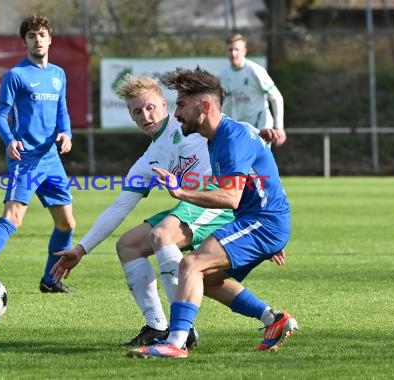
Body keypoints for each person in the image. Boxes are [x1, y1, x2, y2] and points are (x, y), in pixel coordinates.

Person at [50, 74, 284, 348]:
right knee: (128, 246)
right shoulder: (148, 160)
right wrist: (81, 248)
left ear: (164, 104)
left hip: (217, 200)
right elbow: (120, 206)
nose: (145, 115)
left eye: (150, 107)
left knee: (163, 235)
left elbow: (230, 128)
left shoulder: (187, 122)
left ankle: (181, 333)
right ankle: (158, 325)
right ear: (131, 116)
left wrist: (262, 139)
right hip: (191, 206)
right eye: (137, 111)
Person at [127, 66, 298, 359]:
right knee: (204, 279)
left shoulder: (231, 138)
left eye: (181, 105)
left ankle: (175, 344)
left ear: (204, 106)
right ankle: (274, 319)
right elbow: (256, 180)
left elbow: (230, 197)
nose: (177, 113)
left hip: (263, 222)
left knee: (190, 265)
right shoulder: (218, 137)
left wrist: (180, 191)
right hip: (260, 223)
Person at [0, 15, 76, 293]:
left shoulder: (58, 74)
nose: (37, 40)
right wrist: (10, 140)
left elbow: (62, 111)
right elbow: (1, 115)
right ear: (24, 42)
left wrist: (66, 132)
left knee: (67, 223)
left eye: (42, 35)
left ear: (50, 39)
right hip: (26, 159)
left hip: (51, 159)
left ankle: (50, 280)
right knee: (13, 217)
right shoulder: (16, 75)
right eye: (32, 36)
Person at [220, 34, 286, 146]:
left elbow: (276, 97)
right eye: (230, 50)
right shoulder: (226, 74)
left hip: (262, 127)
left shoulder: (255, 71)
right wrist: (224, 128)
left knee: (257, 162)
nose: (233, 53)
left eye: (237, 49)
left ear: (244, 51)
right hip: (243, 129)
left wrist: (279, 127)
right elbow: (227, 104)